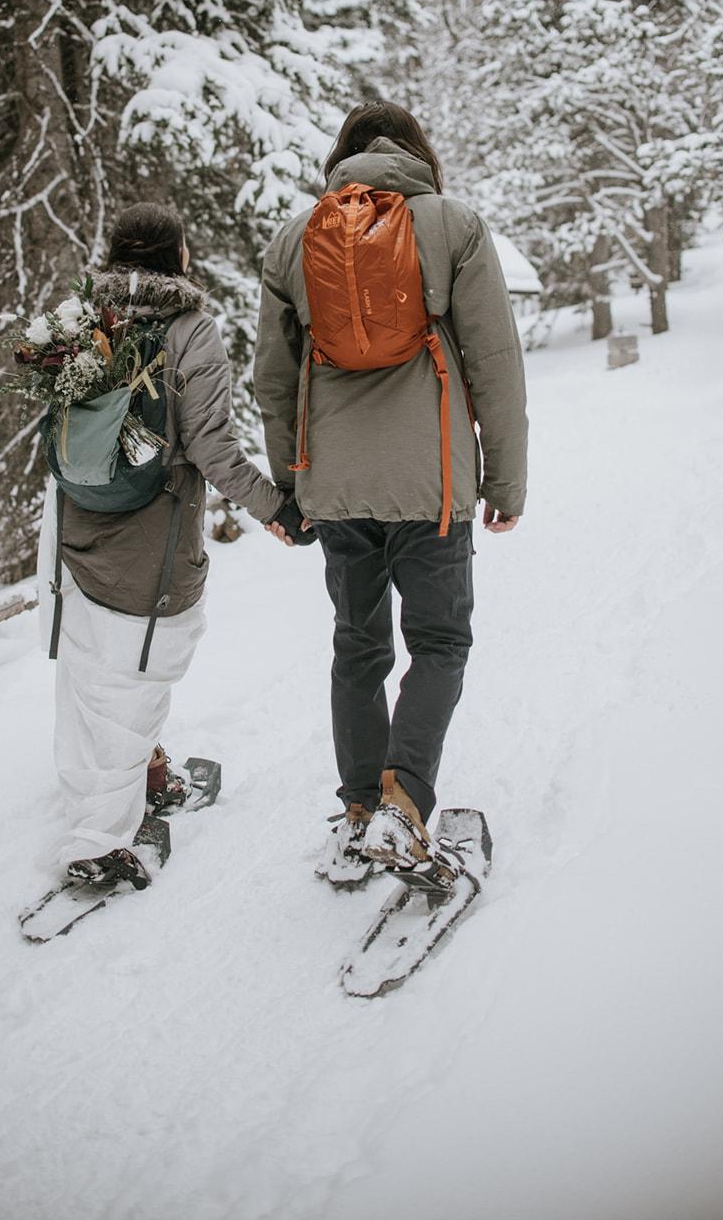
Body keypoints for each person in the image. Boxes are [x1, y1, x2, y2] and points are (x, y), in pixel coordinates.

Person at [255, 102, 528, 889]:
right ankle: (402, 805)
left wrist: (291, 486)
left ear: (342, 159)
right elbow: (494, 362)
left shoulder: (294, 238)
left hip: (336, 485)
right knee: (439, 643)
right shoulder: (454, 226)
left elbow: (273, 379)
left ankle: (355, 810)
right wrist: (504, 478)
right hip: (431, 484)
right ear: (419, 154)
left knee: (358, 645)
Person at [37, 203, 303, 890]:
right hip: (152, 540)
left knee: (87, 679)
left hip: (72, 531)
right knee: (137, 681)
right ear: (175, 256)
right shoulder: (191, 329)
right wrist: (278, 509)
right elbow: (213, 446)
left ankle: (128, 784)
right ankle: (96, 841)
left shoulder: (78, 316)